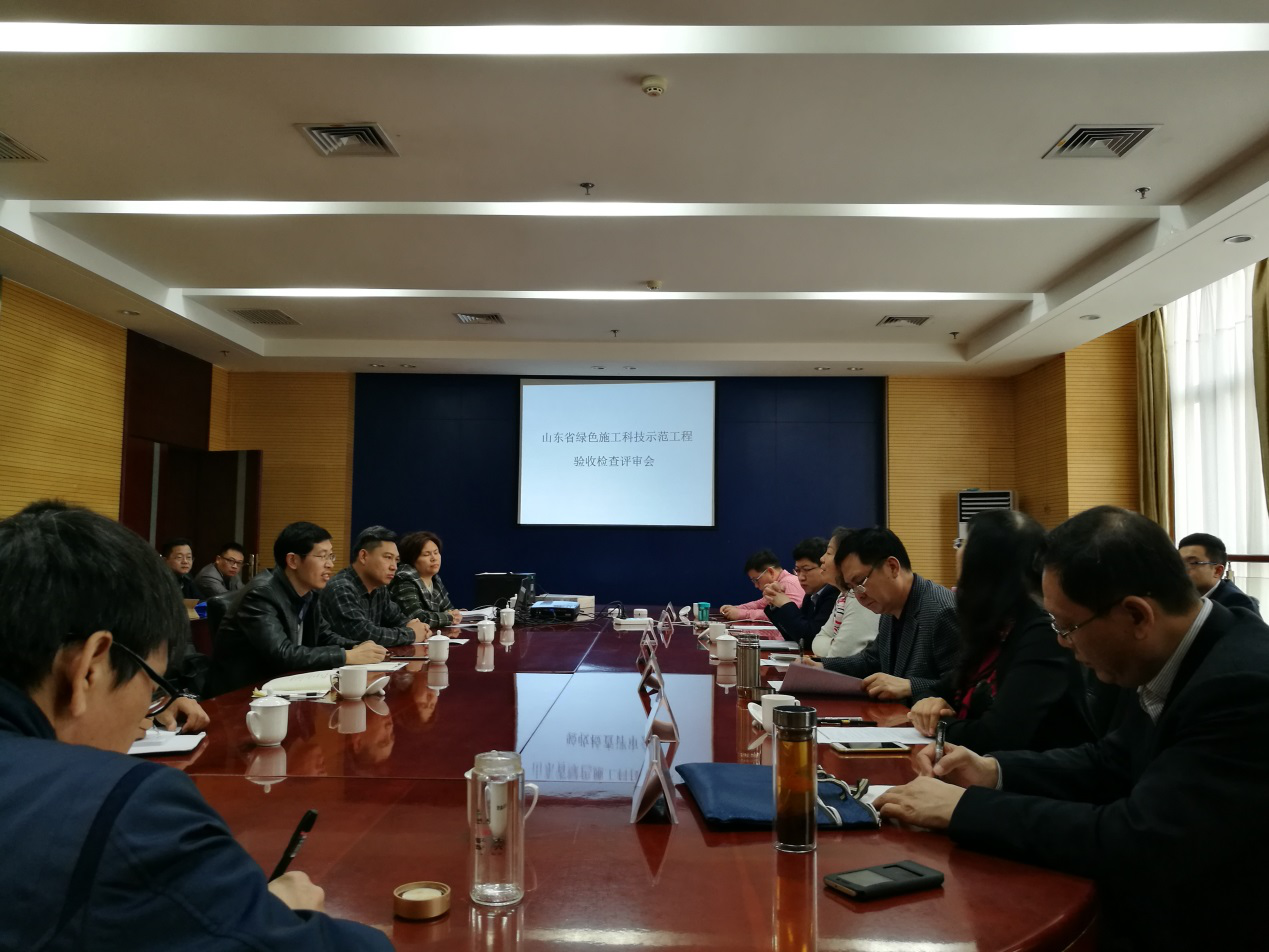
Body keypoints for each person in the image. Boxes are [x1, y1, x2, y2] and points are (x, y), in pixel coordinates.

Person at [0, 501, 391, 951]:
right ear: (89, 667)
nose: (143, 716)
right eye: (152, 683)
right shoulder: (121, 806)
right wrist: (271, 916)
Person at [874, 506, 1269, 950]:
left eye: (1068, 626)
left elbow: (1142, 840)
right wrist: (992, 771)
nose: (1062, 641)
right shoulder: (1172, 651)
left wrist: (966, 809)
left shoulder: (1242, 687)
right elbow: (1110, 760)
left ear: (1137, 616)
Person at [908, 510, 1093, 753]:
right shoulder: (996, 627)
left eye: (963, 542)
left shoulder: (1044, 635)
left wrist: (938, 723)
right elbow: (938, 689)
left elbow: (996, 737)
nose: (957, 550)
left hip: (1034, 773)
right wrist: (926, 704)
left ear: (984, 563)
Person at [208, 522, 387, 696]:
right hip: (242, 696)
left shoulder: (309, 593)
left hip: (284, 687)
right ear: (293, 560)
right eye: (322, 556)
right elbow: (282, 654)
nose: (330, 564)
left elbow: (324, 636)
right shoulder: (261, 594)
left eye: (330, 556)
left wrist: (357, 647)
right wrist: (347, 656)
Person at [816, 527, 958, 700]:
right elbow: (872, 660)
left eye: (860, 582)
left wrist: (910, 686)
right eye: (852, 587)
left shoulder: (942, 611)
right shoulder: (889, 608)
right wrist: (822, 667)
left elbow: (964, 688)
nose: (859, 595)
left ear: (892, 567)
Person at [321, 526, 430, 648]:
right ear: (363, 556)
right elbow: (363, 635)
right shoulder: (341, 588)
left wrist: (419, 627)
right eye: (388, 557)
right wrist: (412, 634)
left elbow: (398, 619)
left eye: (396, 560)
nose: (394, 567)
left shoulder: (379, 588)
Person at [808, 528, 880, 658]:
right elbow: (818, 640)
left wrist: (834, 646)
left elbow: (841, 655)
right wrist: (834, 645)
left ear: (847, 560)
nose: (822, 558)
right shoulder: (843, 595)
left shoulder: (859, 596)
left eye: (829, 553)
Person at [763, 536, 839, 648]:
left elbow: (809, 639)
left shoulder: (834, 593)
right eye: (797, 570)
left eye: (807, 569)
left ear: (823, 566)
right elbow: (795, 636)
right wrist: (775, 605)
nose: (801, 577)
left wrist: (785, 604)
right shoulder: (810, 596)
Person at [389, 531, 463, 630]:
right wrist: (449, 617)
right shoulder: (404, 579)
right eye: (426, 554)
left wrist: (455, 614)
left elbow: (448, 610)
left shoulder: (434, 578)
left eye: (436, 552)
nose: (434, 558)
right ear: (412, 559)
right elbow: (417, 618)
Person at [1177, 531, 1259, 614]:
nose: (1181, 569)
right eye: (1179, 562)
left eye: (1193, 563)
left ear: (1217, 571)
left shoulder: (1238, 603)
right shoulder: (1180, 596)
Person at [719, 549, 805, 621]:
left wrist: (742, 614)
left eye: (756, 580)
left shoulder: (789, 583)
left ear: (770, 572)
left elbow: (787, 616)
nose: (756, 586)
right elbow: (760, 604)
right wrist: (736, 608)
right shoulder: (779, 583)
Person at [160, 536, 198, 601]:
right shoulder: (159, 581)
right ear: (164, 560)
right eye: (179, 557)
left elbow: (200, 600)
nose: (185, 561)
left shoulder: (187, 577)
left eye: (189, 557)